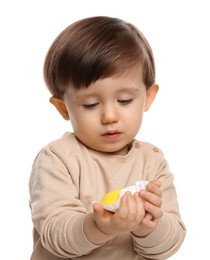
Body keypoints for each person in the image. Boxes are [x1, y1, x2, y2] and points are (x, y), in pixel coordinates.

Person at [29, 16, 186, 260]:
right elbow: (54, 234)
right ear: (63, 108)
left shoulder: (152, 162)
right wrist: (99, 227)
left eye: (124, 101)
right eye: (91, 104)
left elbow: (170, 243)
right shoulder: (58, 159)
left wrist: (149, 227)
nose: (110, 116)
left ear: (148, 97)